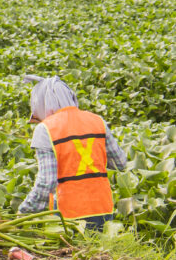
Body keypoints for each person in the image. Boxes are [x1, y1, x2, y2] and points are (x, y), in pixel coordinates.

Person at [17, 75, 129, 230]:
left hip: (68, 217)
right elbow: (120, 163)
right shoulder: (97, 121)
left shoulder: (45, 129)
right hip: (103, 209)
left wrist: (24, 213)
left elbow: (47, 182)